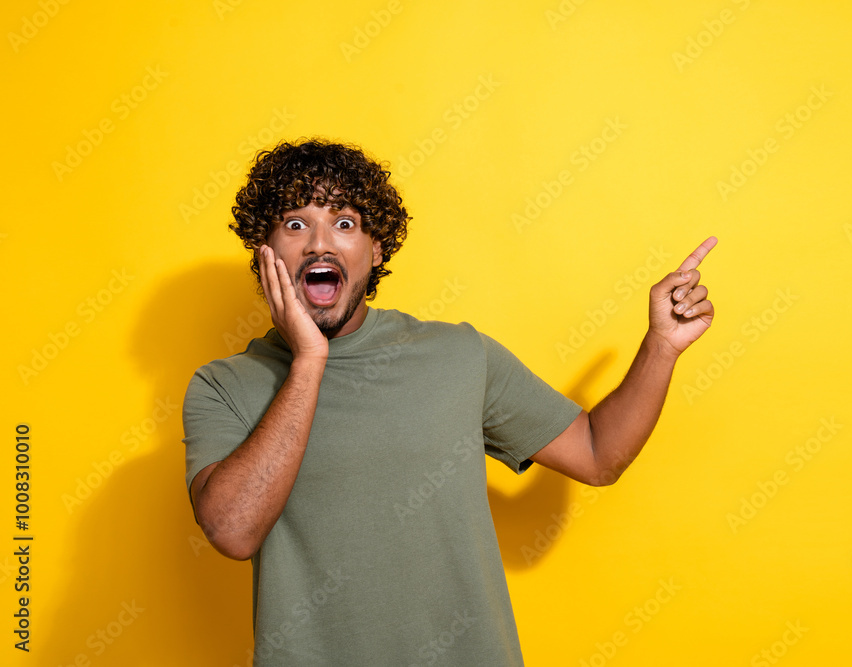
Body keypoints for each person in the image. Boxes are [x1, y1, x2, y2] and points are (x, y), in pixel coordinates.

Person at [182, 138, 716, 665]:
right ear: (266, 252)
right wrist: (308, 361)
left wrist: (662, 346)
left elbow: (599, 454)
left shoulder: (459, 354)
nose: (321, 244)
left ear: (377, 250)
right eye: (296, 224)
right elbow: (233, 531)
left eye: (344, 223)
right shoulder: (224, 385)